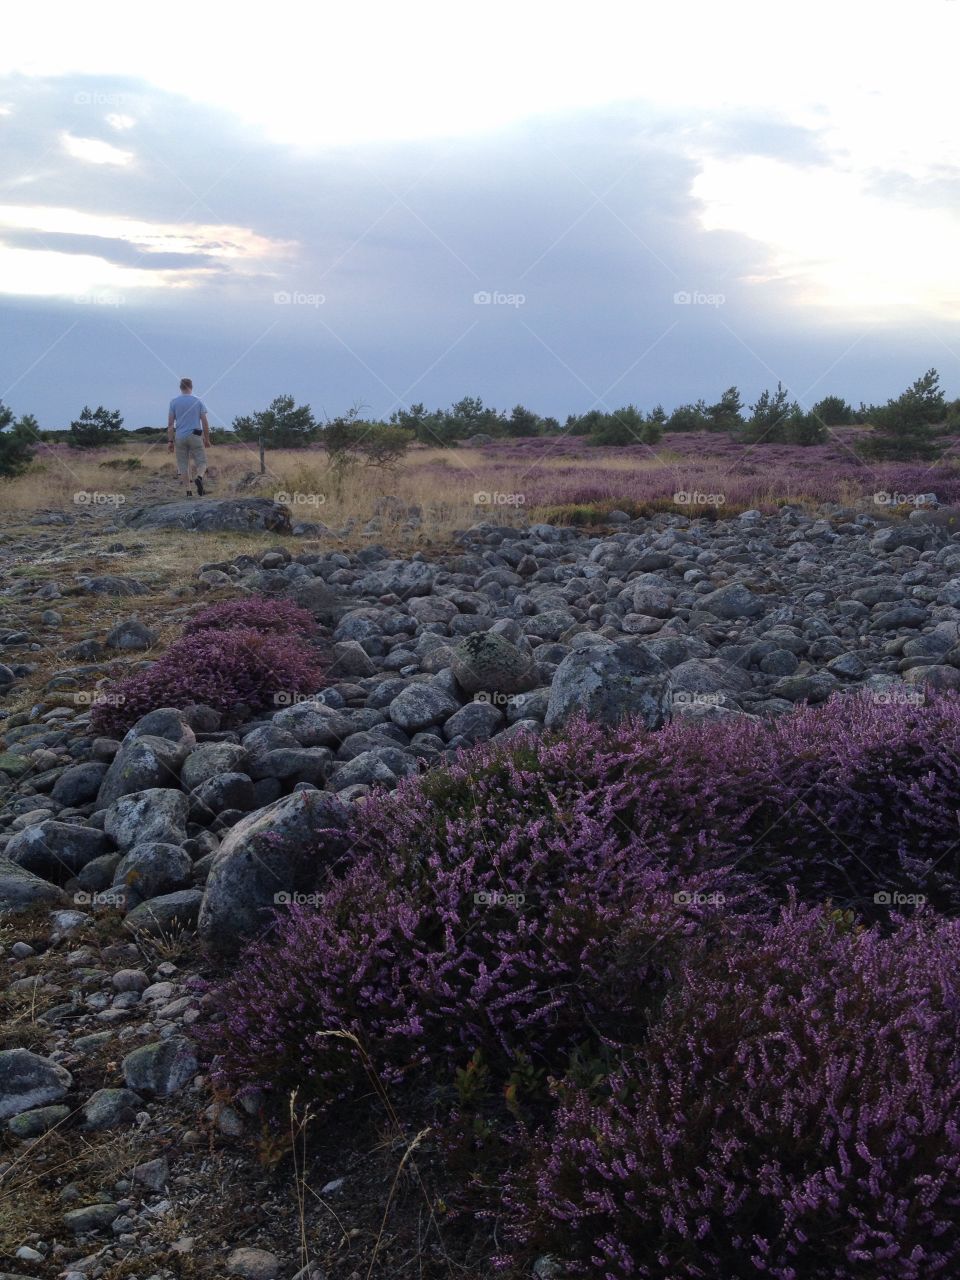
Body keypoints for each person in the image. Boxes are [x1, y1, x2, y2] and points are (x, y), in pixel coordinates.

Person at [167, 377, 211, 496]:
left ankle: (188, 491)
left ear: (180, 387)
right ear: (191, 387)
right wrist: (207, 439)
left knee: (183, 464)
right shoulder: (198, 401)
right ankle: (199, 477)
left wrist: (170, 441)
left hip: (180, 437)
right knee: (202, 462)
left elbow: (171, 424)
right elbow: (205, 422)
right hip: (195, 435)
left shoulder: (173, 402)